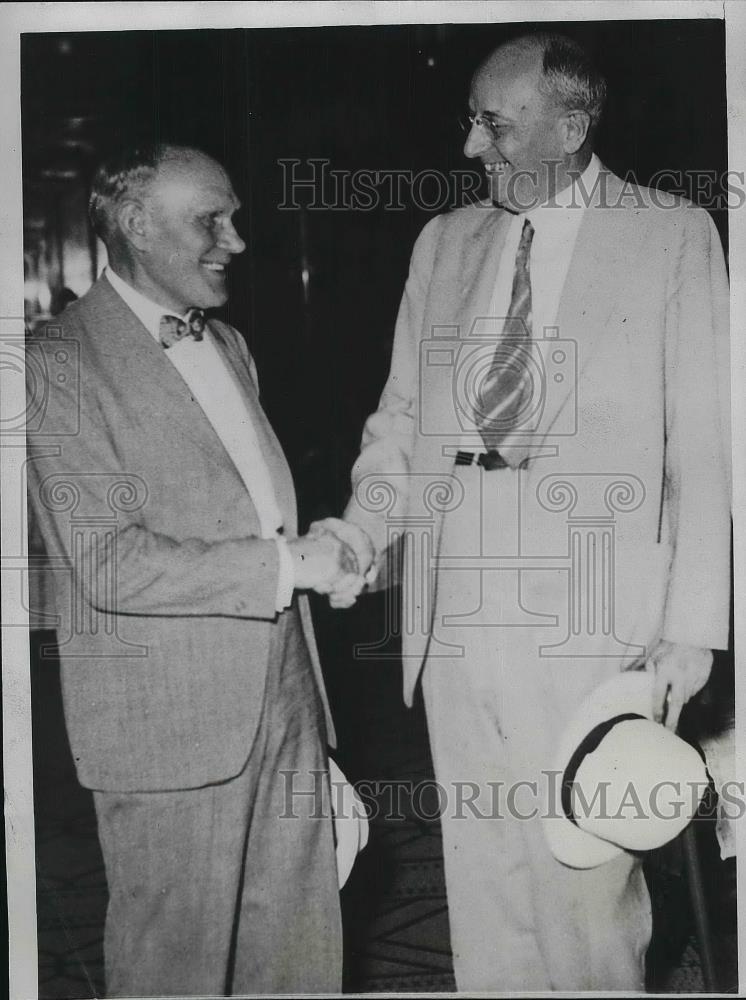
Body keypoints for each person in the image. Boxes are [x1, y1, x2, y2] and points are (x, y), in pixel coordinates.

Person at [333, 33, 731, 991]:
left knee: (583, 880)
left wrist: (693, 630)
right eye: (470, 121)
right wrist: (360, 530)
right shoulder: (446, 241)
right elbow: (401, 419)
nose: (471, 147)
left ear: (572, 124)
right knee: (484, 875)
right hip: (458, 597)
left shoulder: (673, 234)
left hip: (597, 609)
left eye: (494, 124)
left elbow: (710, 448)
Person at [25, 142, 373, 997]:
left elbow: (247, 514)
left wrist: (320, 552)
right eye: (210, 220)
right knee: (172, 970)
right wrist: (290, 563)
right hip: (166, 725)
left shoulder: (232, 346)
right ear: (135, 226)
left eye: (236, 217)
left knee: (297, 954)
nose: (238, 241)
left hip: (286, 695)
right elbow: (109, 565)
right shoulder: (52, 366)